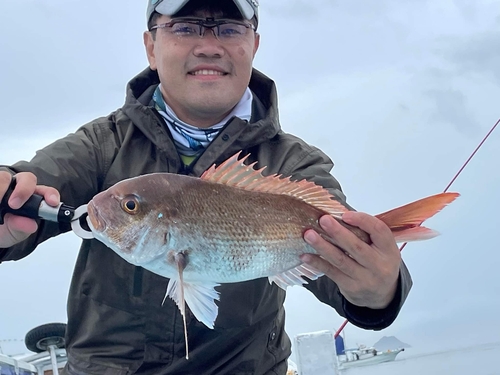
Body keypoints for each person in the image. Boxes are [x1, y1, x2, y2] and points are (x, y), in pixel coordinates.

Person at [0, 0, 411, 374]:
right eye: (185, 27)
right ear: (150, 46)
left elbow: (342, 271)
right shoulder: (101, 143)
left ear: (254, 44)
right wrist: (5, 204)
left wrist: (377, 289)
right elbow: (31, 185)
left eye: (230, 29)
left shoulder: (295, 164)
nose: (209, 46)